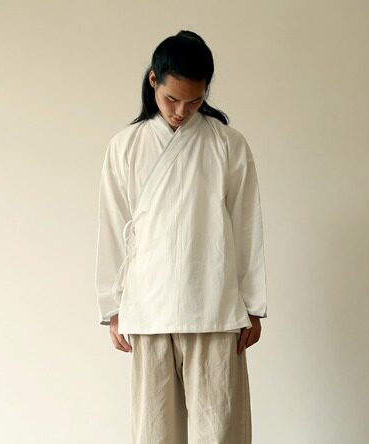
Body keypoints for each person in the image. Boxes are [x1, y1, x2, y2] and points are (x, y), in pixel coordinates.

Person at [94, 29, 268, 443]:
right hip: (148, 306)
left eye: (194, 101)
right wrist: (113, 305)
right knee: (154, 434)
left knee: (221, 432)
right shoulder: (126, 146)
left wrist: (252, 304)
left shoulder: (228, 144)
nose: (181, 111)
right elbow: (113, 225)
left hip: (214, 307)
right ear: (153, 80)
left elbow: (246, 224)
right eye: (172, 99)